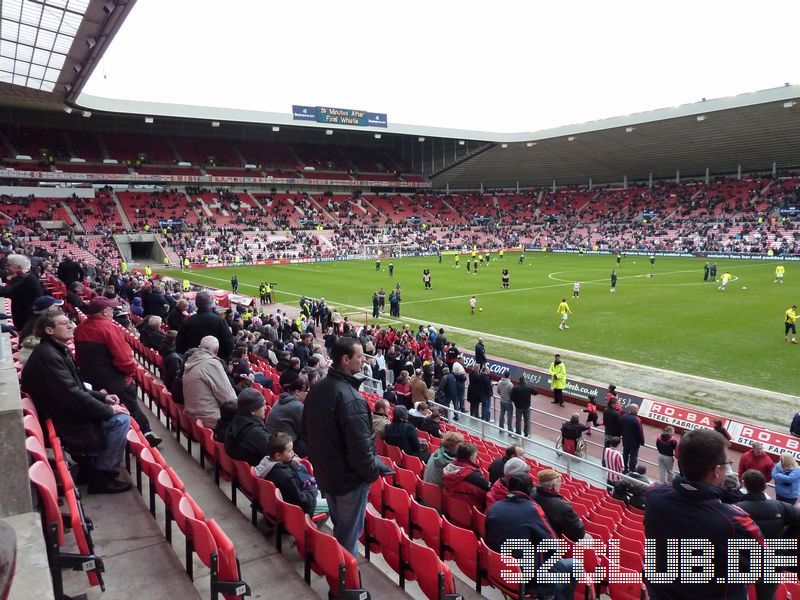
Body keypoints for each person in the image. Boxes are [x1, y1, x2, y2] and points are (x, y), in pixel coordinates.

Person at [21, 311, 132, 494]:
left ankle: (91, 469)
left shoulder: (53, 350)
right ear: (49, 330)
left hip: (60, 410)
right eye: (64, 323)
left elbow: (76, 387)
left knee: (117, 413)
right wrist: (107, 410)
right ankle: (101, 475)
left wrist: (103, 398)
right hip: (63, 418)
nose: (71, 325)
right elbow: (72, 394)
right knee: (120, 421)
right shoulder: (49, 355)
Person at [645, 428, 763, 600]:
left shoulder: (654, 494)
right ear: (717, 470)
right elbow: (763, 568)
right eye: (727, 464)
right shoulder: (734, 520)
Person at [301, 336, 385, 557]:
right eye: (359, 357)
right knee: (347, 538)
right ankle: (344, 585)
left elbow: (306, 432)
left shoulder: (318, 389)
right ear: (346, 359)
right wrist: (372, 473)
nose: (363, 361)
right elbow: (360, 449)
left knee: (342, 530)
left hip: (326, 475)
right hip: (348, 481)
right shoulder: (351, 398)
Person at [74, 296, 160, 447]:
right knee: (131, 406)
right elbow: (123, 358)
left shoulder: (80, 328)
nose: (113, 311)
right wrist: (130, 372)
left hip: (91, 379)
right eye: (111, 309)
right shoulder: (108, 328)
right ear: (104, 312)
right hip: (115, 380)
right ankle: (144, 434)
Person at [486, 472, 576, 600]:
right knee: (574, 565)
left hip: (498, 571)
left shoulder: (494, 507)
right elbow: (553, 545)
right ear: (529, 489)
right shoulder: (533, 510)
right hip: (526, 581)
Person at [736, 469, 800, 600]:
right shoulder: (781, 506)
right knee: (768, 596)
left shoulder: (734, 509)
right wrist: (785, 542)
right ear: (765, 486)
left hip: (743, 560)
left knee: (738, 592)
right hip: (773, 561)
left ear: (743, 484)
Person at [255, 433, 318, 517]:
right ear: (278, 456)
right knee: (328, 504)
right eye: (289, 451)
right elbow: (300, 500)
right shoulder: (285, 476)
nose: (293, 452)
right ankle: (309, 527)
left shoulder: (266, 464)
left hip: (275, 505)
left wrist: (291, 462)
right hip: (292, 510)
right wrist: (313, 490)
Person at [182, 335, 238, 428]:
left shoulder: (191, 360)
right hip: (210, 419)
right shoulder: (211, 364)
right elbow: (228, 397)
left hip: (193, 415)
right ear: (216, 350)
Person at [175, 290, 235, 361]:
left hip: (192, 363)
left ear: (196, 304)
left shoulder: (187, 322)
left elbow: (179, 346)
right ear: (210, 303)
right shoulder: (220, 321)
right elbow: (229, 344)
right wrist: (219, 358)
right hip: (213, 362)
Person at [534, 469, 585, 542]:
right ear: (553, 486)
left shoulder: (531, 493)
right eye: (559, 482)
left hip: (538, 535)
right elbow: (579, 534)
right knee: (588, 538)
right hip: (553, 541)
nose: (560, 484)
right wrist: (579, 522)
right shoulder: (563, 507)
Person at [265, 376, 309, 457]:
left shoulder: (280, 399)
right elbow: (303, 431)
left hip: (272, 440)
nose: (308, 394)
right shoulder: (297, 406)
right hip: (282, 446)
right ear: (297, 392)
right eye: (307, 391)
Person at [0, 254, 45, 331]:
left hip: (28, 320)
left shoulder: (26, 278)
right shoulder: (26, 275)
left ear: (19, 267)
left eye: (9, 265)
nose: (7, 268)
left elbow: (4, 291)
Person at [224, 388, 270, 465]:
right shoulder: (258, 434)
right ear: (252, 411)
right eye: (263, 405)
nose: (265, 408)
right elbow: (274, 457)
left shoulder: (235, 421)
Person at [442, 442, 490, 511]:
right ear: (471, 457)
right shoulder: (474, 476)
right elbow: (487, 493)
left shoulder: (447, 470)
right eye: (476, 456)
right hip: (472, 512)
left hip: (453, 510)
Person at [620, 404, 645, 473]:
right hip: (634, 443)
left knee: (625, 454)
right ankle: (632, 470)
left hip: (625, 440)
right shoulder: (637, 419)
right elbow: (640, 432)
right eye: (637, 409)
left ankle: (625, 468)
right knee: (633, 457)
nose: (638, 410)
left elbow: (621, 427)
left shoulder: (624, 416)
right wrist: (642, 442)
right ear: (634, 410)